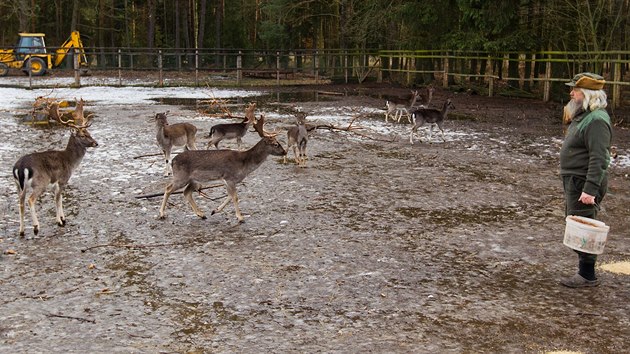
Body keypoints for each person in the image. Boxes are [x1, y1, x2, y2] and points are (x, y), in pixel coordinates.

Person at [559, 72, 613, 288]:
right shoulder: (585, 116)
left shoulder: (597, 121)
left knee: (584, 228)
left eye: (576, 90)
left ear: (588, 94)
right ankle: (585, 272)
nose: (571, 93)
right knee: (575, 224)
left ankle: (587, 275)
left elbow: (600, 157)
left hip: (583, 182)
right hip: (576, 180)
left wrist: (590, 189)